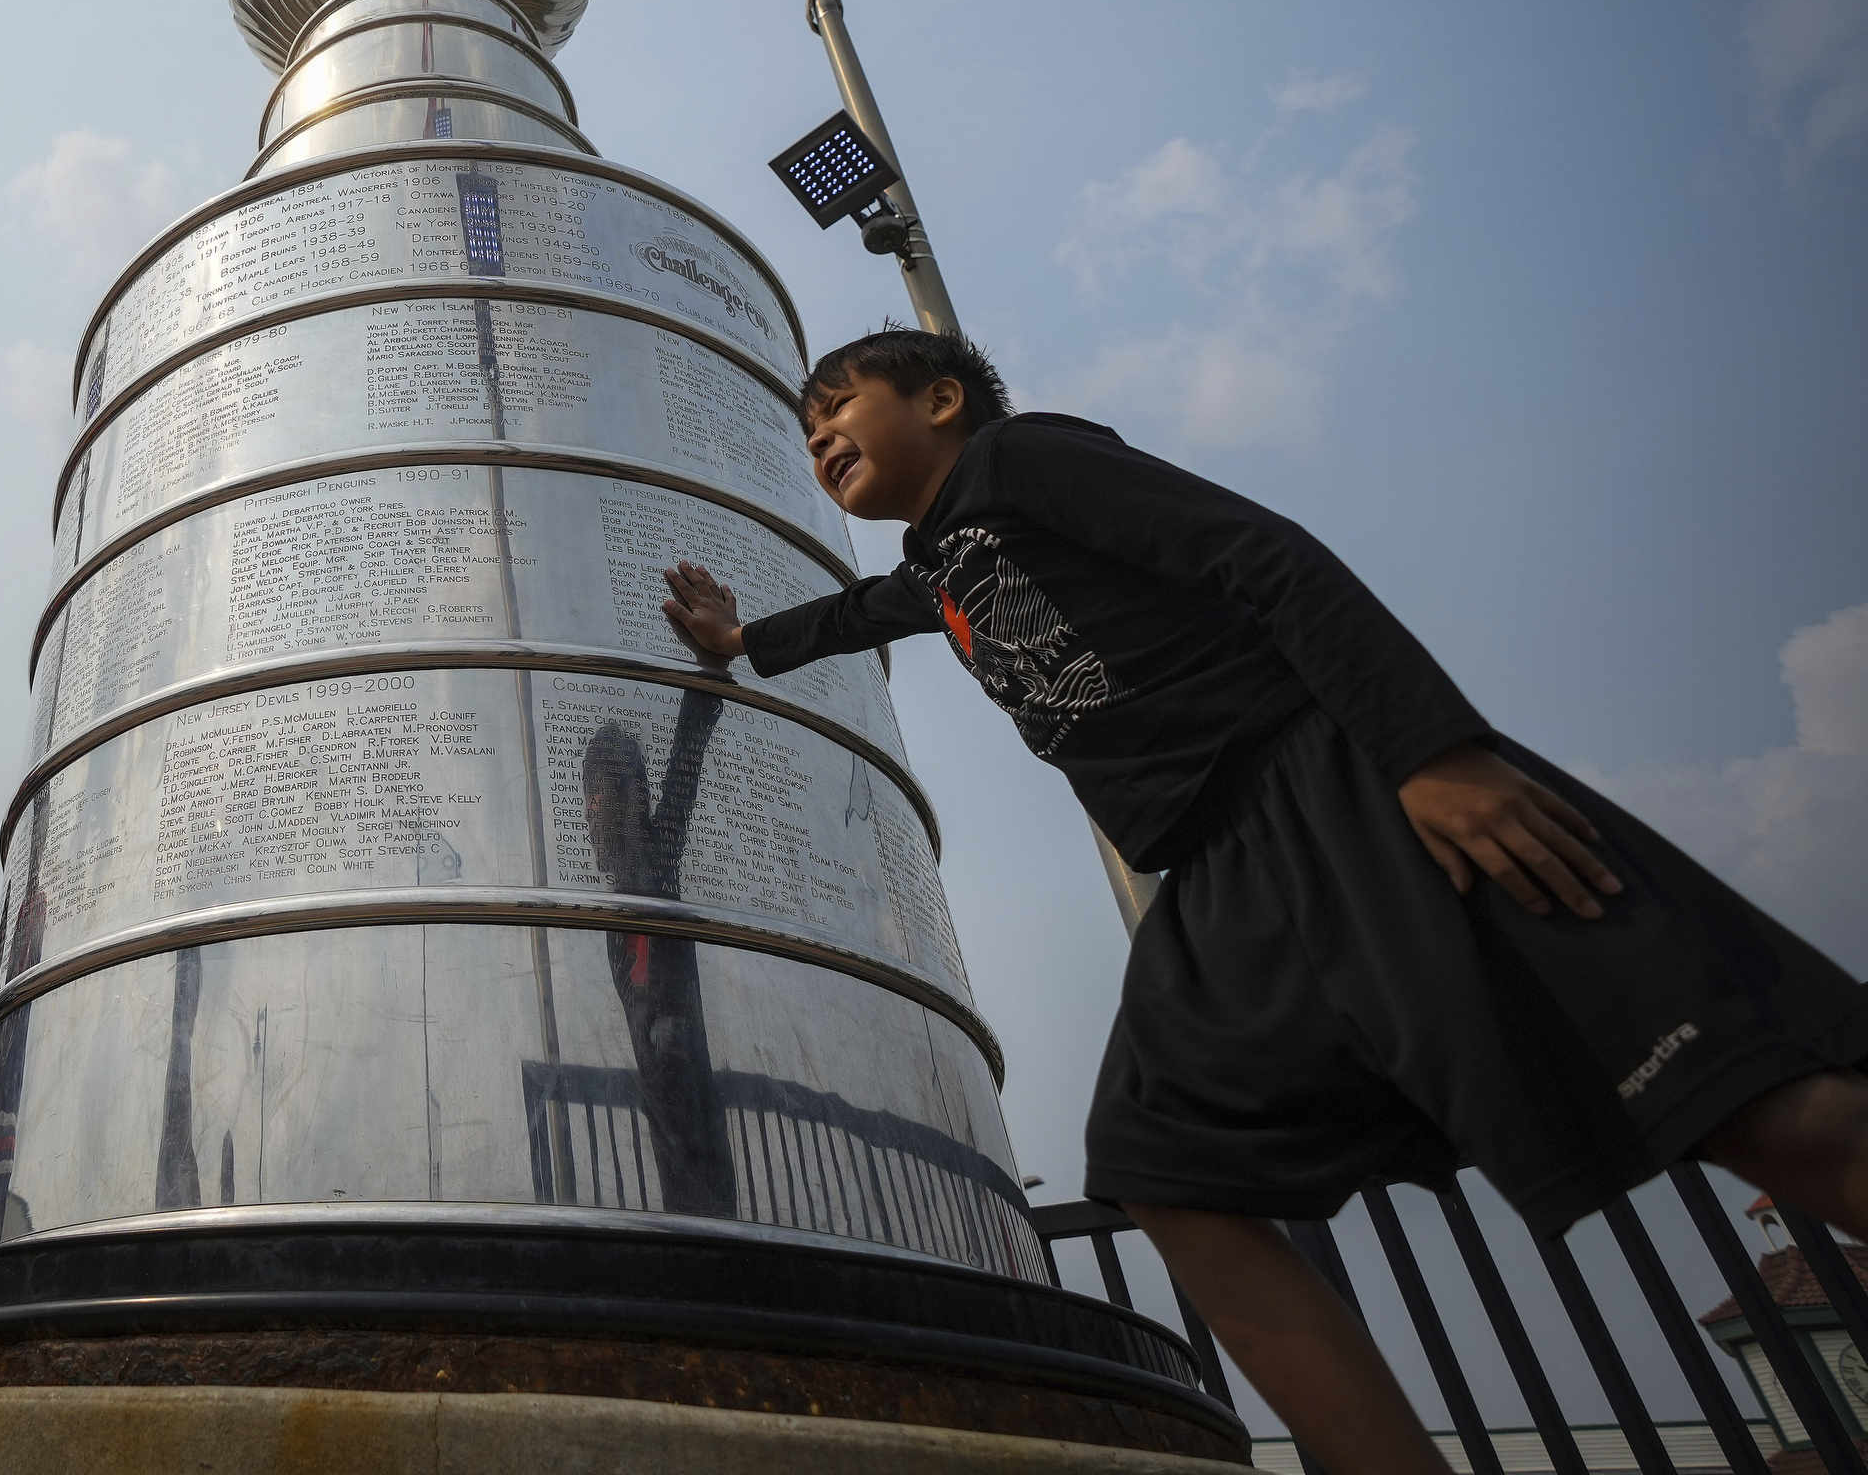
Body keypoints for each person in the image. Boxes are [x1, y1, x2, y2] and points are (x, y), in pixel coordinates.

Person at [659, 326, 1868, 1475]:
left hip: (1337, 783)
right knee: (1168, 1171)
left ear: (940, 401)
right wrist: (735, 639)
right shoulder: (944, 564)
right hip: (1220, 872)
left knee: (1742, 1110)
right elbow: (859, 613)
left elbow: (1264, 555)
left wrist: (1434, 753)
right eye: (805, 432)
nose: (819, 440)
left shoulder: (1027, 462)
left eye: (838, 406)